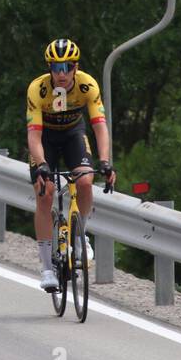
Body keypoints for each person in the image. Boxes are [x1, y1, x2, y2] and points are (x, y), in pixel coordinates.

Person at [26, 39, 114, 292]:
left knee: (86, 181)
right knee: (46, 194)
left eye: (67, 66)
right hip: (45, 138)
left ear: (76, 67)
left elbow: (99, 127)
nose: (61, 73)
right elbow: (33, 135)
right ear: (49, 68)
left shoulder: (88, 85)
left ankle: (80, 234)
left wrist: (106, 162)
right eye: (56, 67)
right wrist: (42, 165)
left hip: (73, 134)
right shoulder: (37, 89)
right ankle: (46, 270)